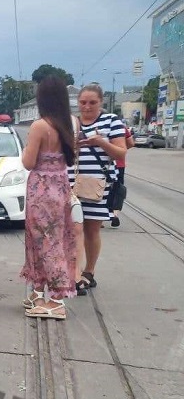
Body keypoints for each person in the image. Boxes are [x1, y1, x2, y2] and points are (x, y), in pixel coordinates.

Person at [20, 76, 78, 319]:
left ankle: (56, 300)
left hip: (41, 192)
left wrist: (25, 149)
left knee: (45, 244)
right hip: (60, 189)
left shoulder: (40, 127)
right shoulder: (71, 123)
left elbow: (28, 162)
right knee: (52, 240)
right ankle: (38, 291)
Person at [69, 84, 128, 293]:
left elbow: (121, 153)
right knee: (71, 229)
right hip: (70, 183)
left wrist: (100, 142)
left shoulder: (111, 120)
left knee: (91, 229)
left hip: (97, 185)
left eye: (92, 102)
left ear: (101, 102)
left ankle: (88, 272)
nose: (87, 107)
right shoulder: (72, 122)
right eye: (83, 102)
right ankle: (72, 272)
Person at [108, 123, 134, 227]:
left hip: (103, 164)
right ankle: (115, 215)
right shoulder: (121, 126)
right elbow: (131, 143)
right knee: (117, 189)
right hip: (119, 163)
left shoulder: (96, 124)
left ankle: (99, 218)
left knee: (101, 188)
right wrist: (119, 150)